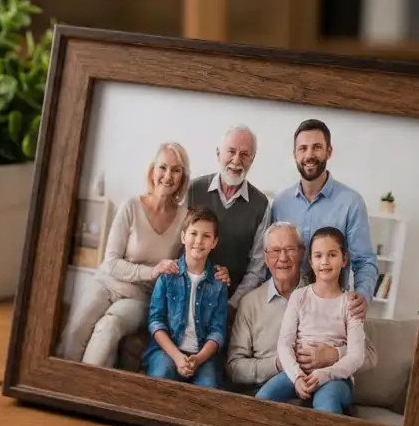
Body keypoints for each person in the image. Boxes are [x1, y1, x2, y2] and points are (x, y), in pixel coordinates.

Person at [56, 142, 191, 365]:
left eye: (176, 170)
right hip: (107, 283)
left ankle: (84, 388)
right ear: (152, 170)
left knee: (108, 326)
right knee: (76, 329)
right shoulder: (130, 206)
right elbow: (110, 263)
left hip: (139, 298)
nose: (168, 176)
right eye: (163, 167)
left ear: (182, 178)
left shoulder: (183, 219)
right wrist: (152, 271)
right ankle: (55, 382)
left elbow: (185, 264)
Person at [226, 222, 377, 394]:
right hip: (271, 390)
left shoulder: (325, 294)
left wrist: (334, 354)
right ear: (266, 258)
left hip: (323, 385)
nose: (283, 258)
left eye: (290, 249)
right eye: (275, 251)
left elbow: (369, 356)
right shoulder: (249, 303)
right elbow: (234, 368)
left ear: (303, 255)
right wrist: (278, 364)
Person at [246, 119, 374, 317]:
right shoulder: (280, 201)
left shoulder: (351, 202)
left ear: (329, 151)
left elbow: (364, 261)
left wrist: (362, 296)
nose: (309, 155)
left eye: (317, 148)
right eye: (303, 148)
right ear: (295, 154)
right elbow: (270, 255)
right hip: (283, 308)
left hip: (328, 310)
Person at [255, 226, 367, 415]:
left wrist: (324, 374)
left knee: (326, 401)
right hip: (298, 373)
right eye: (318, 256)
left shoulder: (351, 303)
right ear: (310, 261)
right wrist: (297, 376)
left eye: (332, 255)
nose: (324, 262)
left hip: (336, 378)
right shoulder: (299, 297)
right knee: (261, 399)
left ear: (344, 259)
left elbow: (357, 356)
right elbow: (285, 343)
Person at [185, 125, 272, 308]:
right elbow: (176, 245)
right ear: (218, 154)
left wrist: (232, 306)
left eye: (244, 154)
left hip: (230, 301)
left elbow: (257, 270)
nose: (236, 160)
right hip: (184, 294)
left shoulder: (261, 205)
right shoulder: (193, 190)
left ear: (252, 160)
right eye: (231, 151)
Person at [141, 206, 228, 388]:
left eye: (206, 236)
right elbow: (156, 322)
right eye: (193, 234)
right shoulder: (167, 275)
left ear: (214, 242)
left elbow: (217, 331)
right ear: (183, 237)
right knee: (161, 375)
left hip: (202, 355)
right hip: (167, 351)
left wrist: (197, 359)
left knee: (209, 386)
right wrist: (177, 357)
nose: (198, 241)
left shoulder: (219, 283)